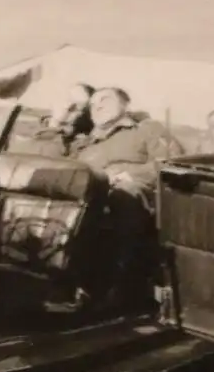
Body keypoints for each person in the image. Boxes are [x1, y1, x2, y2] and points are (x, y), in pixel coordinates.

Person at [45, 86, 185, 313]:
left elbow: (172, 163)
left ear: (126, 105)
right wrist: (56, 122)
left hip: (129, 193)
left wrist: (128, 175)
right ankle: (58, 281)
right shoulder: (84, 142)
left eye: (106, 100)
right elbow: (49, 163)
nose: (97, 106)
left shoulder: (146, 129)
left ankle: (117, 289)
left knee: (122, 195)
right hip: (87, 194)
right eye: (93, 104)